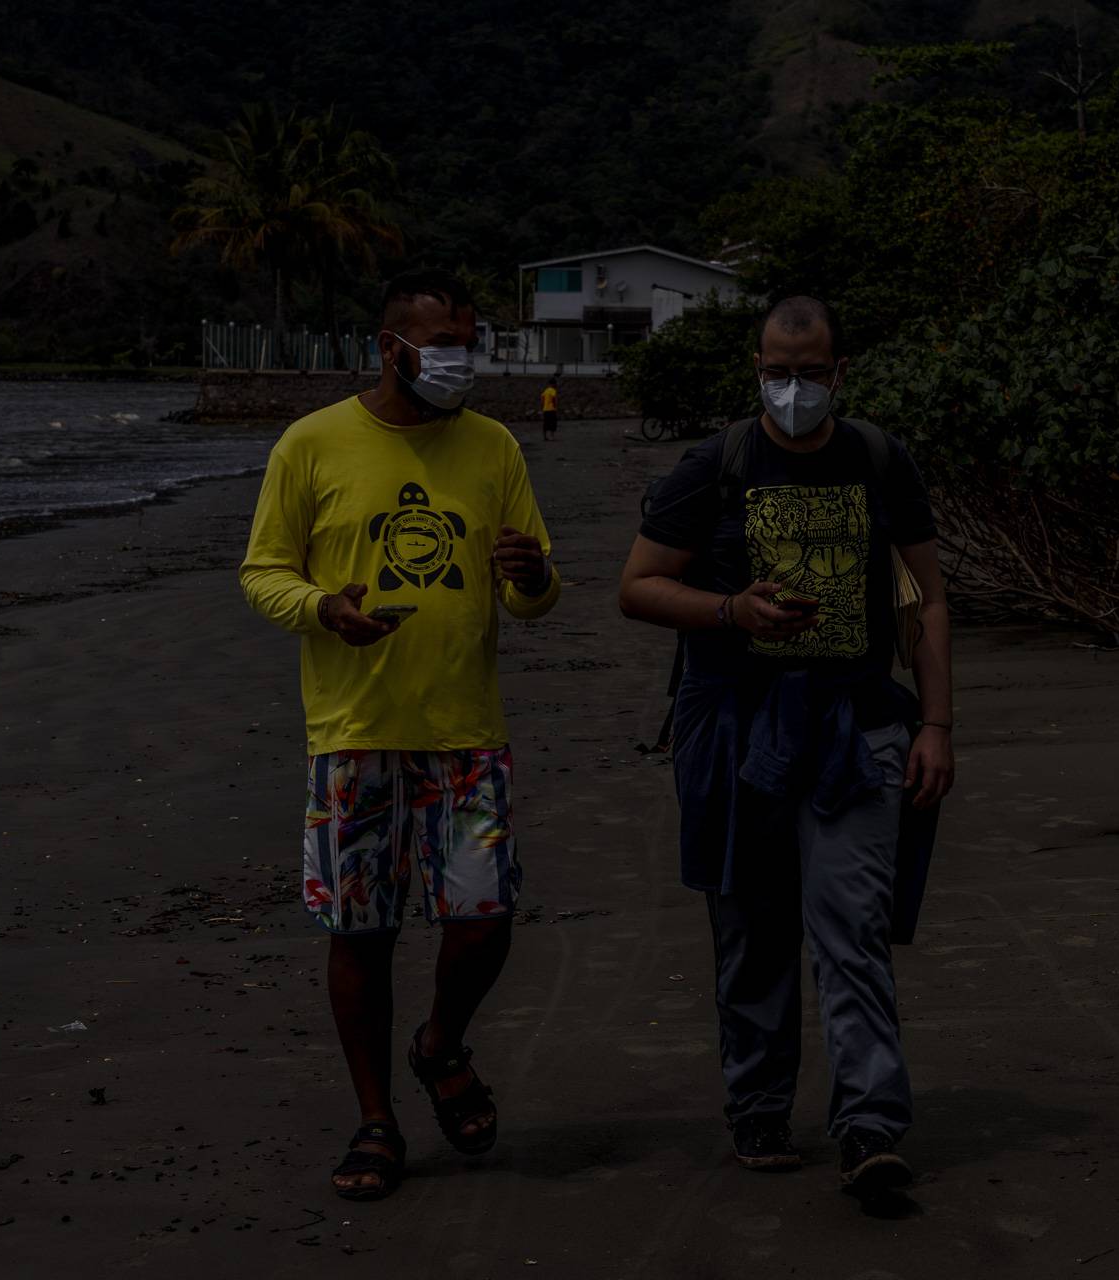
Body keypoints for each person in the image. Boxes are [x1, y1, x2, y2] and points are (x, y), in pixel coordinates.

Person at [618, 296, 954, 1199]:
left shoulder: (878, 459)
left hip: (856, 725)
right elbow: (638, 586)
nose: (793, 389)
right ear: (756, 370)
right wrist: (731, 610)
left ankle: (870, 1128)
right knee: (752, 932)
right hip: (736, 727)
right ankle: (760, 1108)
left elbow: (926, 597)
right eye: (777, 372)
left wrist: (936, 724)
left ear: (840, 373)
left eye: (809, 373)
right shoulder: (715, 465)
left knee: (853, 929)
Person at [239, 270, 561, 1202]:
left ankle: (440, 1044)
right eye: (443, 345)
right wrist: (322, 609)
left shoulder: (495, 445)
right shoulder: (311, 443)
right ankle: (375, 1119)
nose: (461, 361)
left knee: (484, 919)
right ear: (391, 348)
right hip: (353, 733)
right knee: (360, 932)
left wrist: (534, 576)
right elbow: (263, 571)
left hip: (466, 732)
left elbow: (532, 596)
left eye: (469, 343)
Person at [540, 374, 560, 441]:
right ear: (553, 384)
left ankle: (545, 436)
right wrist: (555, 406)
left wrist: (543, 406)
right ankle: (552, 436)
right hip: (551, 409)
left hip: (545, 409)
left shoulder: (546, 390)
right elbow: (554, 399)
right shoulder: (553, 390)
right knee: (552, 423)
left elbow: (542, 398)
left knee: (545, 423)